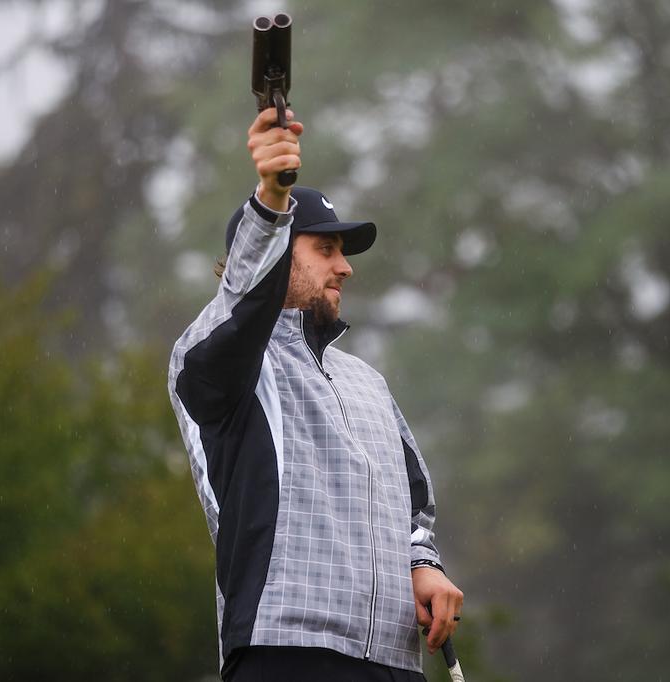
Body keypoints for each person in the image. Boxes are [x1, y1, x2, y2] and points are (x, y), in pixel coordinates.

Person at [168, 107, 464, 682]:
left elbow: (412, 507)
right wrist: (271, 200)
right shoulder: (222, 363)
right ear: (275, 257)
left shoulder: (367, 381)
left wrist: (422, 564)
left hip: (393, 664)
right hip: (284, 653)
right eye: (325, 249)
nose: (345, 267)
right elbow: (240, 303)